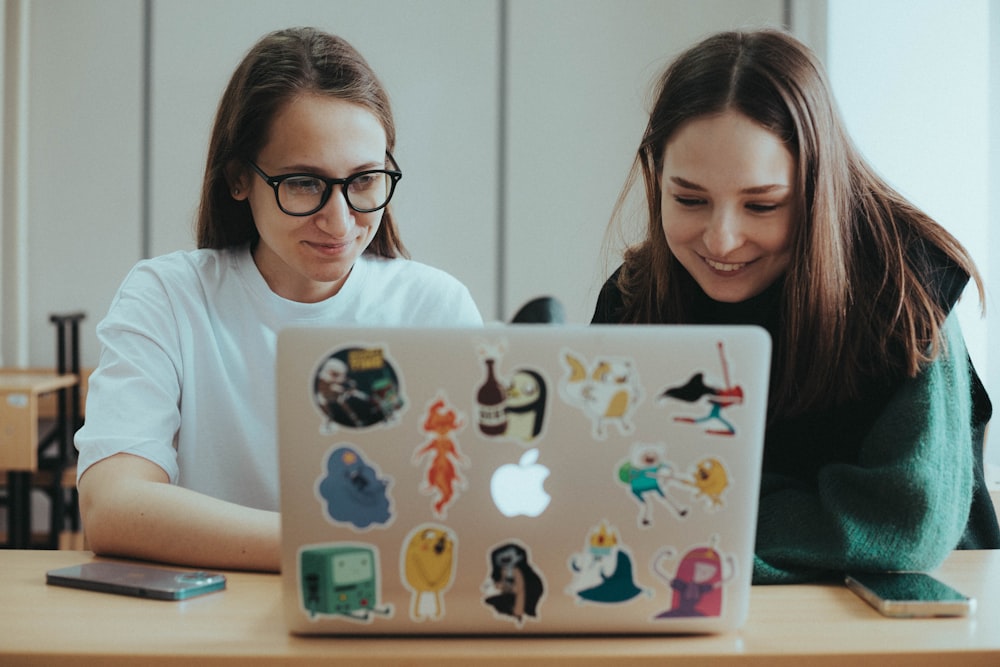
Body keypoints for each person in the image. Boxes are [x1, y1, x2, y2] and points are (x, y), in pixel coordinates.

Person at [591, 29, 999, 584]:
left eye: (762, 205)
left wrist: (704, 517)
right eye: (689, 199)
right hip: (697, 599)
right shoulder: (635, 296)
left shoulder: (904, 291)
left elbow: (902, 522)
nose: (721, 239)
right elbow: (601, 489)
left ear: (818, 189)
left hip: (906, 621)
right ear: (653, 176)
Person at [76, 27, 483, 572]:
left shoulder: (434, 307)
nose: (339, 220)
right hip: (211, 624)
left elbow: (475, 508)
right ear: (239, 179)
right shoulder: (169, 297)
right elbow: (113, 507)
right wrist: (336, 545)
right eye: (303, 183)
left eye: (364, 180)